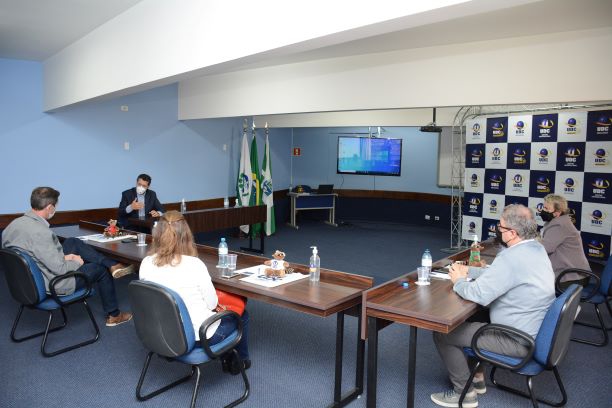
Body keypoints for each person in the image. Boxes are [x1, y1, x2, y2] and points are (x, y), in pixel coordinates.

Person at [430, 204, 555, 408]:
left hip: (516, 340)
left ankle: (465, 393)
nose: (498, 229)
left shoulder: (511, 257)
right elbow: (502, 275)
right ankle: (477, 378)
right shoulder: (536, 249)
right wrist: (469, 272)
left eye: (501, 227)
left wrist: (458, 281)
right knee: (477, 318)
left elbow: (479, 295)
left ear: (513, 233)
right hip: (532, 330)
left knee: (443, 333)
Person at [2, 187, 133, 326]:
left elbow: (33, 255)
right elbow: (60, 269)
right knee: (100, 270)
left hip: (27, 280)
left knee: (72, 242)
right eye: (56, 206)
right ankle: (114, 315)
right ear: (50, 207)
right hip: (52, 283)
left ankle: (112, 264)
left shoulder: (13, 225)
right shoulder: (40, 232)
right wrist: (76, 261)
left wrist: (65, 257)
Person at [138, 210, 250, 374]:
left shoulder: (146, 263)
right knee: (242, 315)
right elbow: (212, 304)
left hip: (161, 335)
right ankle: (239, 362)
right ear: (186, 235)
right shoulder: (194, 264)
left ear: (158, 234)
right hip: (198, 338)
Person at [540, 194, 590, 287]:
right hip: (574, 273)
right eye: (544, 207)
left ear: (557, 212)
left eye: (547, 209)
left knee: (535, 286)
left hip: (572, 277)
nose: (543, 210)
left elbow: (544, 249)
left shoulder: (559, 225)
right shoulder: (557, 221)